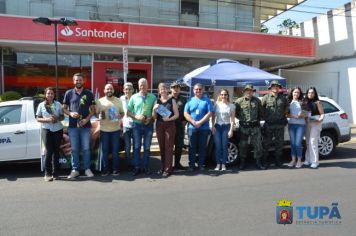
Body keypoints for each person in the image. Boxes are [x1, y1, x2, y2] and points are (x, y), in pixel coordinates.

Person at [63, 73, 96, 179]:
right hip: (73, 127)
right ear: (73, 81)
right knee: (75, 149)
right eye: (76, 80)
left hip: (85, 127)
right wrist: (71, 113)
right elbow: (64, 109)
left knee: (86, 149)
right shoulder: (68, 93)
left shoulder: (89, 93)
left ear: (83, 81)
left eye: (80, 80)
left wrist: (86, 119)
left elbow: (93, 110)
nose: (78, 82)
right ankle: (75, 170)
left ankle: (87, 169)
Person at [127, 78, 156, 176]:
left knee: (147, 147)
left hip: (148, 125)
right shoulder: (133, 97)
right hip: (137, 125)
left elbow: (155, 112)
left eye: (144, 84)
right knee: (136, 147)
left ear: (148, 85)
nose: (142, 86)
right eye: (140, 85)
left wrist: (151, 118)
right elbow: (128, 112)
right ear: (138, 86)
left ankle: (146, 167)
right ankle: (137, 167)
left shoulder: (153, 97)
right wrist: (136, 116)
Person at [36, 87, 64, 181]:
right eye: (48, 93)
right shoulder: (41, 105)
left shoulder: (58, 104)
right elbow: (38, 118)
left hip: (58, 129)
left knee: (56, 151)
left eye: (52, 93)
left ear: (54, 95)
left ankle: (55, 173)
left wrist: (57, 118)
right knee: (49, 152)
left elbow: (62, 116)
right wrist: (47, 120)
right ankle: (47, 173)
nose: (50, 95)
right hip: (46, 129)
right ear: (45, 95)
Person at [96, 84, 124, 176]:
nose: (109, 90)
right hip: (104, 130)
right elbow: (96, 114)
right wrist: (98, 116)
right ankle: (105, 170)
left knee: (115, 151)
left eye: (111, 89)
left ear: (113, 90)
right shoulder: (99, 101)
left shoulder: (118, 101)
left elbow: (122, 113)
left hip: (116, 130)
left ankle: (115, 169)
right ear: (104, 90)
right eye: (107, 89)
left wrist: (120, 116)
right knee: (105, 151)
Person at [184, 83, 213, 171]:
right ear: (193, 90)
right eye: (196, 89)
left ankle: (201, 165)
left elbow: (210, 113)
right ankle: (191, 165)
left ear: (203, 90)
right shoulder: (189, 101)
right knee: (192, 147)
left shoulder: (207, 100)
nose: (198, 91)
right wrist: (192, 121)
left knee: (202, 147)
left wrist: (200, 122)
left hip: (204, 128)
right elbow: (185, 113)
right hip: (192, 128)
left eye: (200, 89)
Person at [235, 84, 265, 170]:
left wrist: (256, 121)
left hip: (255, 127)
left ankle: (258, 162)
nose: (249, 92)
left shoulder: (257, 101)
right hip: (244, 127)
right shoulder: (238, 101)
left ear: (253, 92)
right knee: (243, 145)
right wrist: (242, 120)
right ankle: (242, 162)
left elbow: (261, 113)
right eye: (247, 90)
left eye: (250, 91)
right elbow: (235, 113)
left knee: (258, 145)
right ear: (244, 91)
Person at [152, 83, 179, 177]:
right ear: (159, 91)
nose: (163, 90)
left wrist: (169, 119)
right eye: (161, 89)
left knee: (169, 147)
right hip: (159, 125)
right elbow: (154, 117)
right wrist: (154, 110)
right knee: (162, 147)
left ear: (167, 90)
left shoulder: (172, 101)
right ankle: (162, 167)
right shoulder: (157, 101)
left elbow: (177, 115)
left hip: (169, 125)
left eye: (164, 88)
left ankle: (168, 169)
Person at [261, 80, 289, 168]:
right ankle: (264, 161)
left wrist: (283, 116)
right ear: (271, 88)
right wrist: (265, 116)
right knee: (266, 144)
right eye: (274, 86)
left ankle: (278, 161)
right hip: (269, 125)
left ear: (279, 88)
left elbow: (286, 109)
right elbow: (261, 109)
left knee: (279, 144)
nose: (275, 88)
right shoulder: (266, 98)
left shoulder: (283, 98)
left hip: (280, 125)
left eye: (277, 86)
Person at [211, 88, 235, 171]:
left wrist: (231, 130)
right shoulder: (216, 104)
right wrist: (213, 126)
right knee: (218, 146)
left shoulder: (231, 106)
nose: (223, 96)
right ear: (220, 95)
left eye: (225, 94)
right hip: (218, 126)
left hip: (226, 126)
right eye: (222, 94)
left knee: (224, 146)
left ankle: (224, 164)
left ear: (228, 95)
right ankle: (218, 164)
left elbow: (232, 120)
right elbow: (213, 116)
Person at [304, 87, 325, 169]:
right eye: (309, 92)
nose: (310, 94)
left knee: (313, 142)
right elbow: (305, 113)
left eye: (312, 93)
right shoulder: (305, 102)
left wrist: (320, 119)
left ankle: (315, 162)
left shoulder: (317, 102)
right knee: (308, 142)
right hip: (308, 123)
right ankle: (308, 159)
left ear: (315, 93)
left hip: (316, 123)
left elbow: (322, 114)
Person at [286, 87, 306, 169]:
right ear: (292, 93)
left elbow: (307, 114)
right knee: (293, 143)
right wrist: (294, 115)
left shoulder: (302, 102)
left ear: (300, 94)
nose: (296, 94)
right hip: (291, 124)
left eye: (298, 92)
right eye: (295, 92)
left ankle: (299, 160)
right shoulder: (289, 102)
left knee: (298, 143)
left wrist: (302, 114)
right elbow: (286, 114)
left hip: (300, 125)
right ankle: (293, 160)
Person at [170, 82, 187, 170]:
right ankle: (168, 164)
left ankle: (177, 164)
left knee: (179, 145)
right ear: (171, 89)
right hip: (170, 126)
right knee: (169, 146)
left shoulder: (183, 99)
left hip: (180, 126)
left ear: (180, 89)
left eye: (177, 87)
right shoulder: (167, 98)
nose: (176, 89)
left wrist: (185, 121)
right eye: (174, 87)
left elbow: (187, 112)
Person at [120, 82, 134, 171]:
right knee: (128, 145)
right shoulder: (121, 99)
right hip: (125, 125)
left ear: (132, 90)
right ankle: (128, 163)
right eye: (126, 89)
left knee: (136, 145)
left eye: (129, 89)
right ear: (123, 90)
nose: (127, 91)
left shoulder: (136, 98)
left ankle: (136, 162)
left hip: (136, 124)